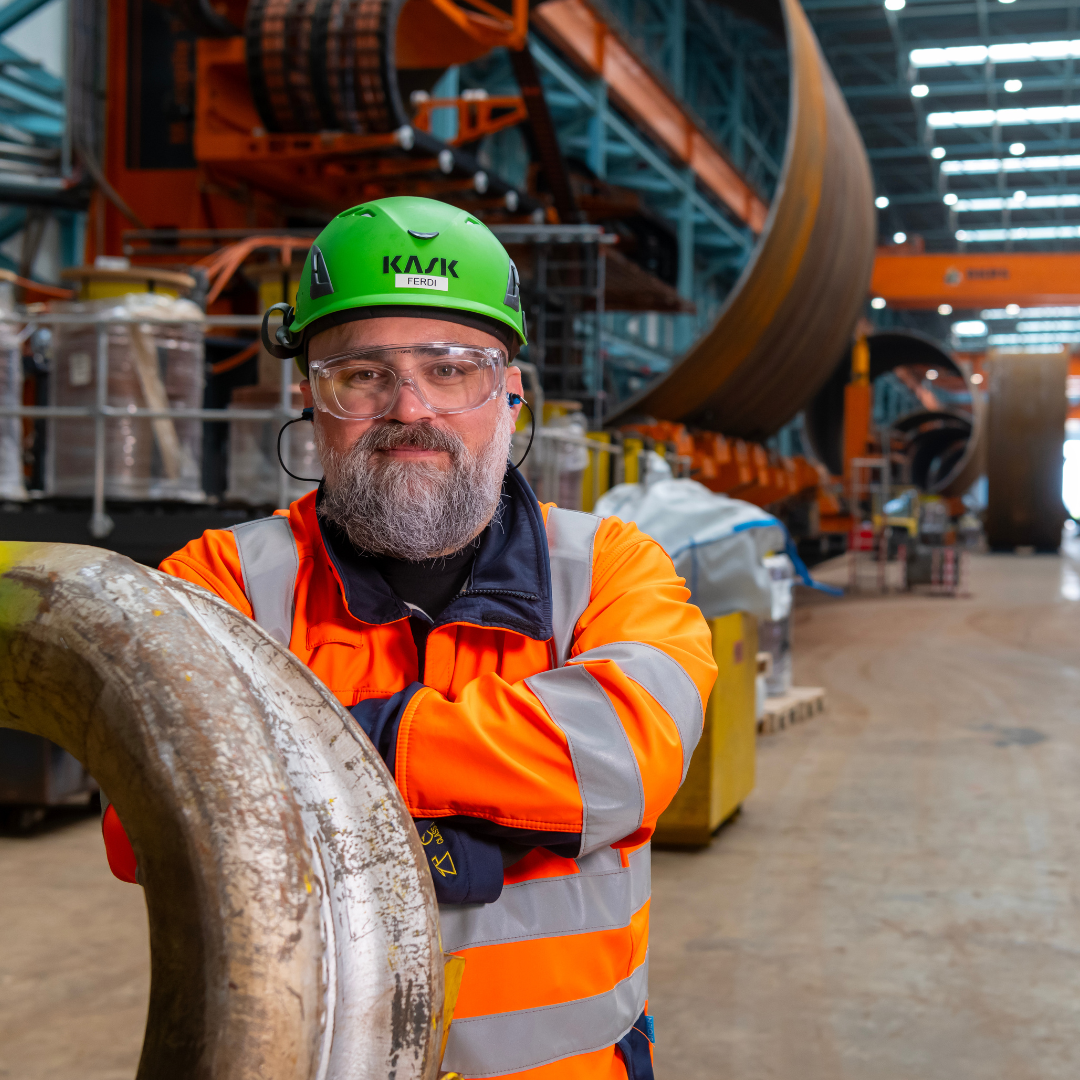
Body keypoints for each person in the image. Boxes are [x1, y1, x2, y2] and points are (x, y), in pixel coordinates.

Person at [101, 196, 718, 1079]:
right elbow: (144, 817)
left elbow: (616, 763)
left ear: (509, 394)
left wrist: (317, 749)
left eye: (453, 368)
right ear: (312, 398)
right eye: (362, 373)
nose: (411, 408)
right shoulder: (219, 582)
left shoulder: (608, 567)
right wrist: (498, 800)